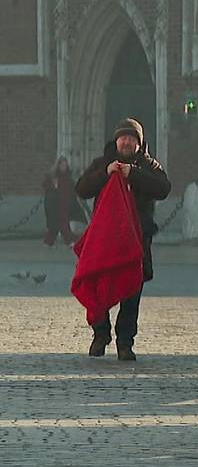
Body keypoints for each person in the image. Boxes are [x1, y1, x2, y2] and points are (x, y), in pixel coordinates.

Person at [75, 118, 171, 361]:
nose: (126, 142)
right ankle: (100, 334)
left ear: (139, 143)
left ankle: (125, 342)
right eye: (123, 137)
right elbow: (82, 189)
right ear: (115, 140)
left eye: (131, 138)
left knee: (131, 292)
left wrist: (135, 174)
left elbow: (163, 188)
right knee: (99, 286)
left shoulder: (148, 165)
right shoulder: (102, 164)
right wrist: (106, 174)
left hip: (137, 240)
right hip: (106, 239)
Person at [43, 156, 86, 247]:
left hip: (66, 204)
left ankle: (66, 240)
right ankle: (52, 241)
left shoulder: (68, 178)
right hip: (55, 205)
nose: (64, 167)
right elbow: (47, 188)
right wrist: (54, 186)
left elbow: (72, 189)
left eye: (65, 165)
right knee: (55, 225)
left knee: (63, 223)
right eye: (62, 165)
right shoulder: (52, 177)